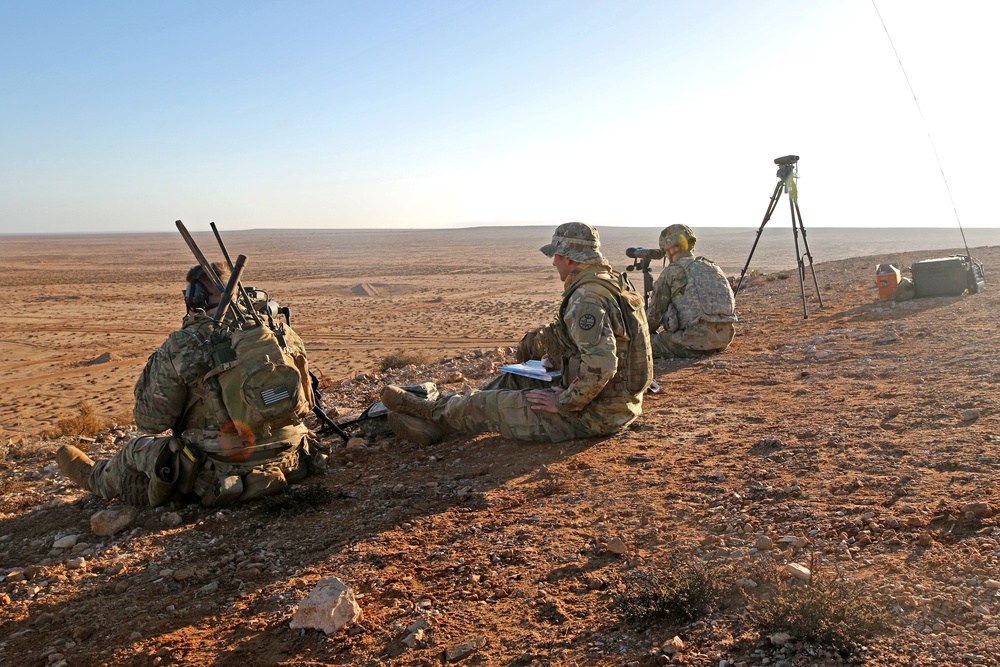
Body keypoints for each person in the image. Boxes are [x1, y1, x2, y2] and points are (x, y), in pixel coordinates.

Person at [56, 262, 326, 507]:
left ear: (194, 297)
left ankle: (95, 478)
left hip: (224, 468)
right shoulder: (277, 331)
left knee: (133, 451)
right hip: (296, 455)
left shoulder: (186, 343)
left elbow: (152, 422)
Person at [379, 221, 650, 445]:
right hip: (613, 405)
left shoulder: (586, 298)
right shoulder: (613, 283)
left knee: (489, 404)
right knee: (512, 382)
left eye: (555, 256)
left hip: (593, 415)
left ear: (568, 258)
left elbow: (602, 365)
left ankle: (428, 412)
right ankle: (438, 423)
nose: (553, 262)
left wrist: (564, 402)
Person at [646, 224, 737, 359]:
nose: (665, 254)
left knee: (643, 345)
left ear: (672, 248)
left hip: (694, 342)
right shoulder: (712, 266)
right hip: (724, 339)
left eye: (665, 250)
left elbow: (652, 320)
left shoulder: (672, 272)